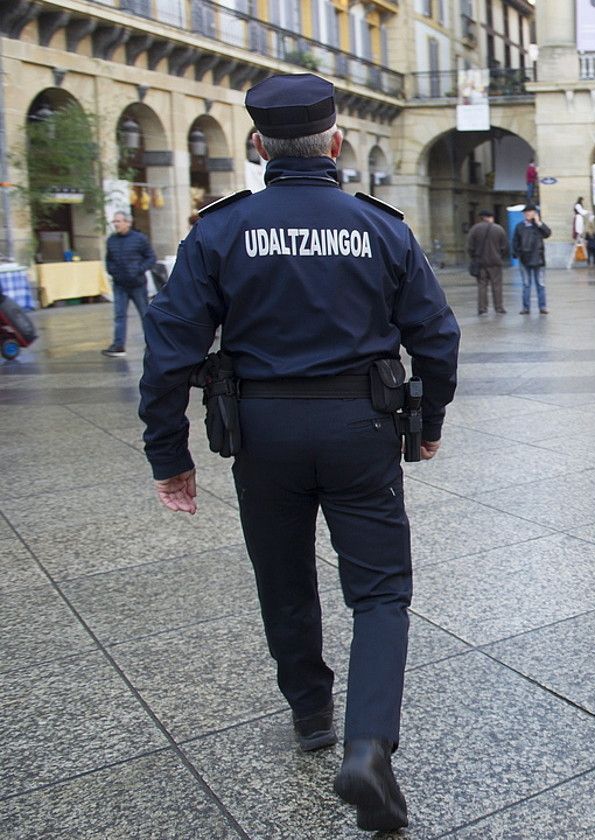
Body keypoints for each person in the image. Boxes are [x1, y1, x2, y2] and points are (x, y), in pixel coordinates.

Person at [137, 73, 461, 832]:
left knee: (283, 575)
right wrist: (429, 419)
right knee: (379, 592)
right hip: (361, 428)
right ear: (336, 143)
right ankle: (368, 745)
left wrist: (167, 452)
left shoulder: (220, 230)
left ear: (259, 146)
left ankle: (312, 712)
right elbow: (436, 337)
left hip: (263, 432)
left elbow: (168, 350)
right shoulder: (378, 226)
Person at [102, 211, 157, 358]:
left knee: (145, 315)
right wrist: (112, 271)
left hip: (138, 284)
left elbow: (151, 258)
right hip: (119, 284)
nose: (116, 224)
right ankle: (118, 345)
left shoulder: (140, 239)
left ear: (128, 222)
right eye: (114, 221)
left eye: (118, 221)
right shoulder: (111, 240)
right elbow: (109, 260)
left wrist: (138, 270)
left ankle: (153, 345)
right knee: (119, 315)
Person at [466, 209, 509, 314]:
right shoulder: (499, 229)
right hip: (495, 262)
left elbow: (469, 247)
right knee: (497, 285)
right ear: (491, 217)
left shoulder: (475, 229)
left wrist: (474, 257)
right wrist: (500, 256)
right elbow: (505, 247)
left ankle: (482, 308)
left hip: (480, 262)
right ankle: (498, 307)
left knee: (482, 286)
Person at [512, 204, 552, 314]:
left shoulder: (538, 226)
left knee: (540, 284)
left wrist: (539, 223)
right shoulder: (520, 226)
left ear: (535, 213)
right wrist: (517, 254)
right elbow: (515, 241)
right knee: (526, 284)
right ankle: (526, 307)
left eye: (530, 212)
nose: (528, 214)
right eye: (526, 212)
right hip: (524, 260)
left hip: (538, 259)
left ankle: (542, 307)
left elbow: (548, 233)